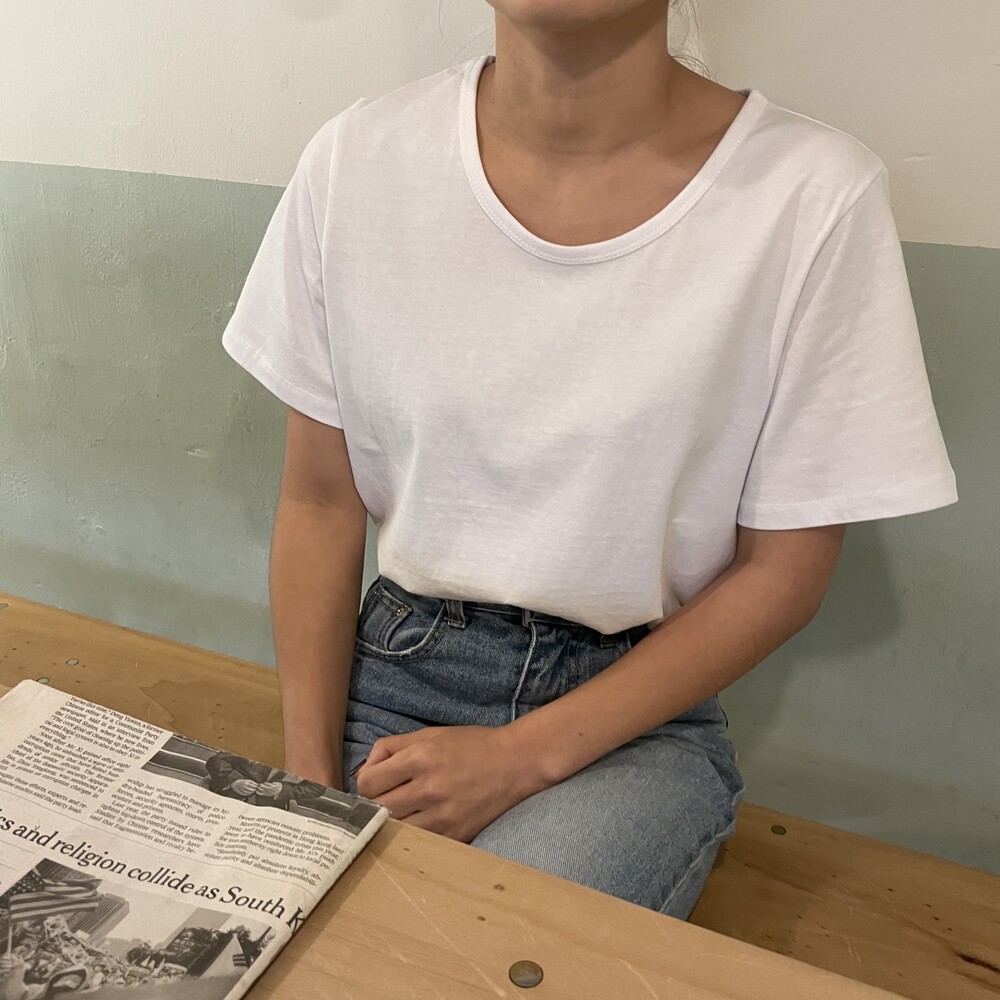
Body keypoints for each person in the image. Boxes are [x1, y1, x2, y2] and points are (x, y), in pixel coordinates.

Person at [221, 0, 957, 917]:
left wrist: (519, 757)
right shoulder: (355, 161)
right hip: (392, 673)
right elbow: (321, 502)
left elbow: (786, 569)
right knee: (281, 932)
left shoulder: (811, 194)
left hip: (631, 720)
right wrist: (308, 788)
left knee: (476, 945)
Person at [203, 752, 325, 810]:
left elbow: (318, 787)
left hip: (269, 809)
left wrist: (282, 790)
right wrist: (234, 782)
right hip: (228, 799)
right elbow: (215, 761)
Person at [0, 956, 87, 1000]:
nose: (66, 983)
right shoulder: (40, 990)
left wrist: (18, 971)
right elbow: (18, 993)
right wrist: (16, 970)